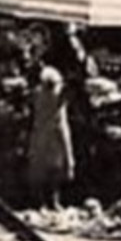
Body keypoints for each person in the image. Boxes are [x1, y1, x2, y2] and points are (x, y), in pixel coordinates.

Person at [26, 64, 74, 209]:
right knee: (54, 168)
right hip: (53, 132)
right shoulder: (55, 97)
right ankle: (51, 201)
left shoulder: (38, 94)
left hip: (42, 132)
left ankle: (45, 201)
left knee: (43, 166)